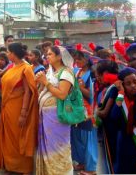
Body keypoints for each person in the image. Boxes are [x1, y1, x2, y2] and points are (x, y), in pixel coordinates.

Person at [0, 42, 38, 174]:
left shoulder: (26, 68)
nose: (7, 55)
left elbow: (28, 92)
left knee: (20, 137)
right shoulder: (12, 68)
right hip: (7, 107)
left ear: (14, 54)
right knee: (9, 138)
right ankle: (11, 166)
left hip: (19, 109)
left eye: (8, 52)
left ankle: (24, 168)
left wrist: (24, 113)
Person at [35, 44, 75, 175]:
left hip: (58, 118)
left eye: (50, 54)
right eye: (46, 54)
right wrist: (40, 82)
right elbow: (44, 90)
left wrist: (45, 82)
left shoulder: (66, 72)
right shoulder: (51, 71)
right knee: (47, 146)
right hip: (47, 118)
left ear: (59, 56)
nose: (47, 56)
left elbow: (62, 94)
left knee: (58, 149)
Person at [109, 67, 136, 173]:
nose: (133, 86)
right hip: (124, 142)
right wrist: (121, 93)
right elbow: (114, 118)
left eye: (135, 81)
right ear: (123, 85)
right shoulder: (120, 100)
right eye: (128, 84)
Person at [71, 47, 98, 175]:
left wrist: (80, 88)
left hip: (88, 111)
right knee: (77, 137)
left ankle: (91, 168)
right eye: (75, 59)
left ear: (87, 60)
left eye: (79, 59)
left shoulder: (92, 74)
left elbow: (91, 95)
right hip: (76, 110)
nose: (77, 61)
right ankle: (81, 162)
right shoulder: (77, 71)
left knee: (88, 139)